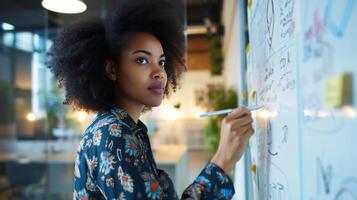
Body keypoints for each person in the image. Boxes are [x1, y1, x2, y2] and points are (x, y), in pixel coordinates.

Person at [48, 0, 254, 199]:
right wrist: (224, 158)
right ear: (112, 69)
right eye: (142, 60)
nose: (159, 73)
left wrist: (224, 159)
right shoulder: (114, 135)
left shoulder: (122, 128)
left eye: (162, 62)